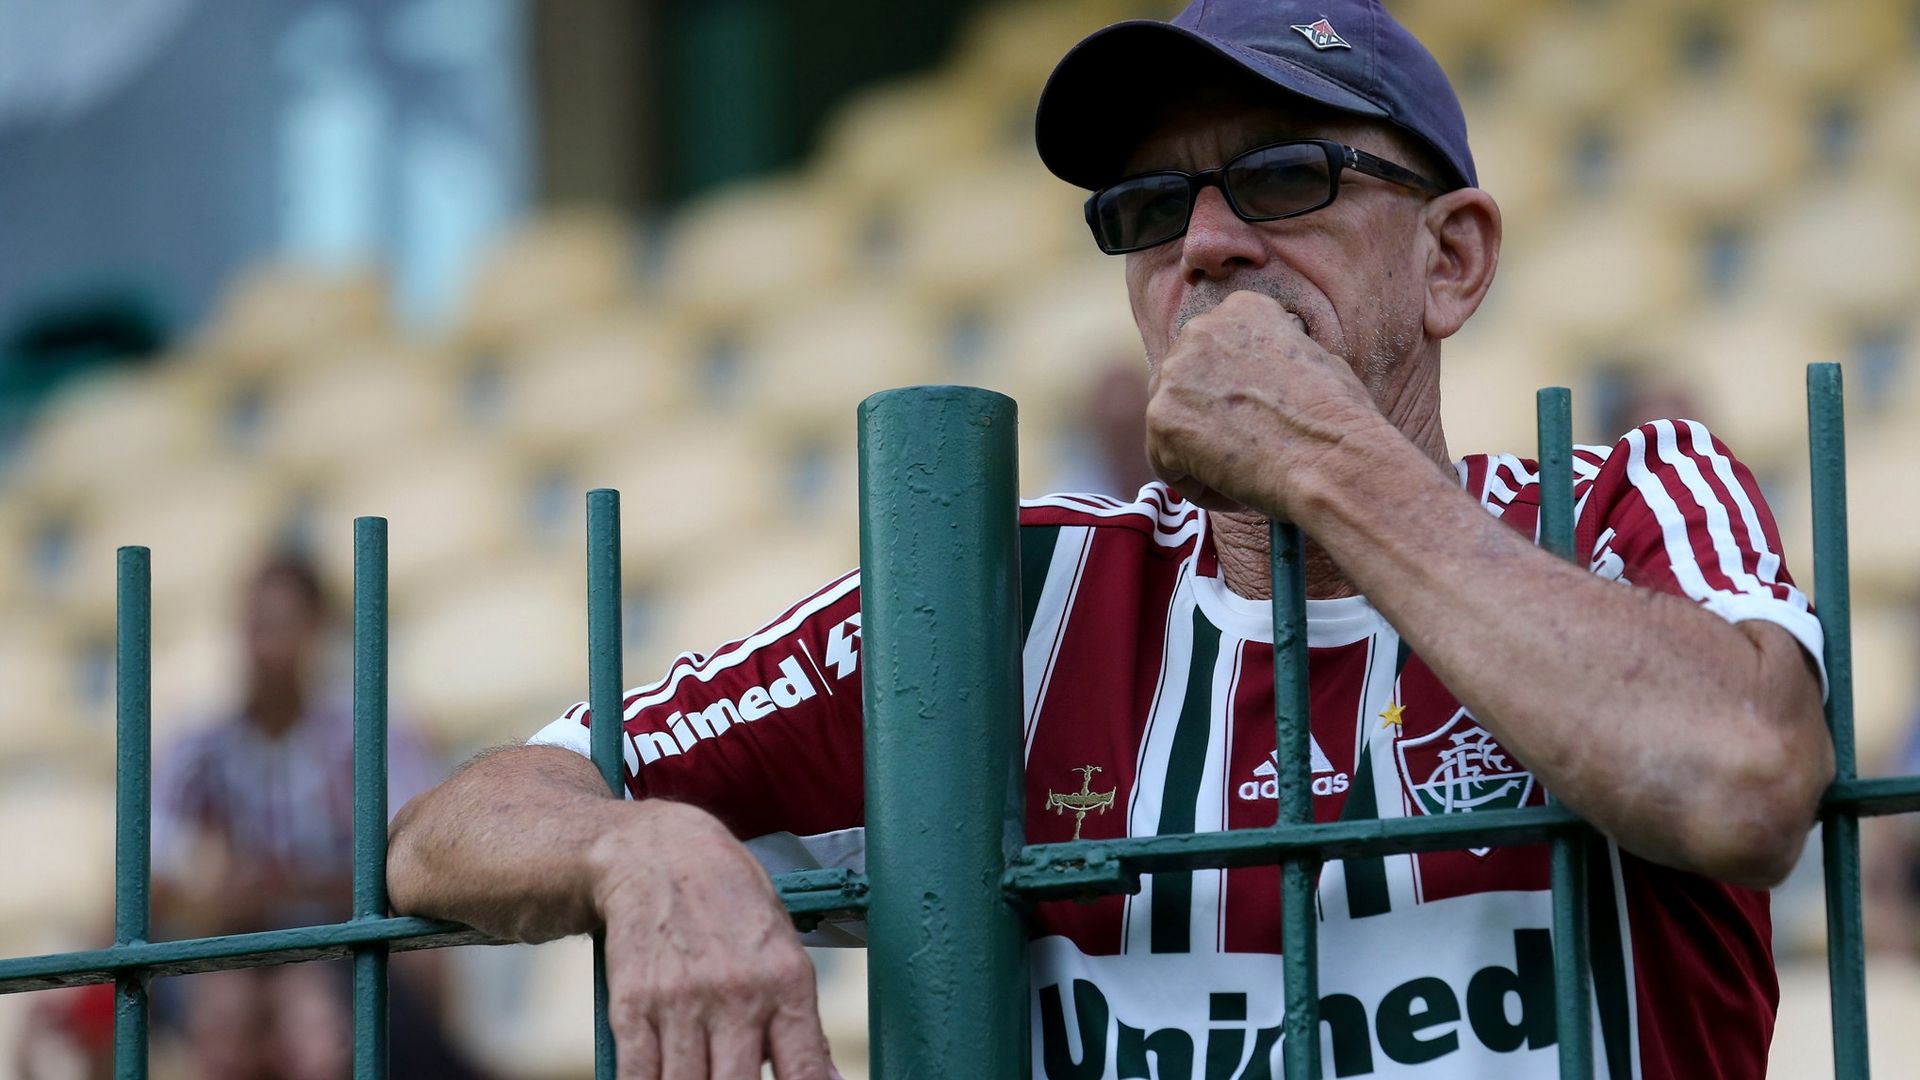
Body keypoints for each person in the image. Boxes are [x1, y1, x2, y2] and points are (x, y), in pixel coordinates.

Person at [386, 2, 1835, 1076]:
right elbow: (452, 829)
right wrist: (641, 849)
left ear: (1451, 259)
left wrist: (1323, 463)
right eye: (1148, 209)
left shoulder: (1636, 502)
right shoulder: (1013, 604)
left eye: (1284, 178)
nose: (1204, 244)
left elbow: (1740, 777)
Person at [151, 552, 481, 1080]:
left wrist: (274, 893)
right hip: (244, 948)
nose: (266, 646)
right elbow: (150, 873)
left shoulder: (375, 731)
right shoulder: (202, 743)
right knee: (226, 1014)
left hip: (345, 949)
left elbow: (416, 862)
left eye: (282, 625)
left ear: (317, 634)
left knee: (316, 1025)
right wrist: (213, 900)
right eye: (256, 624)